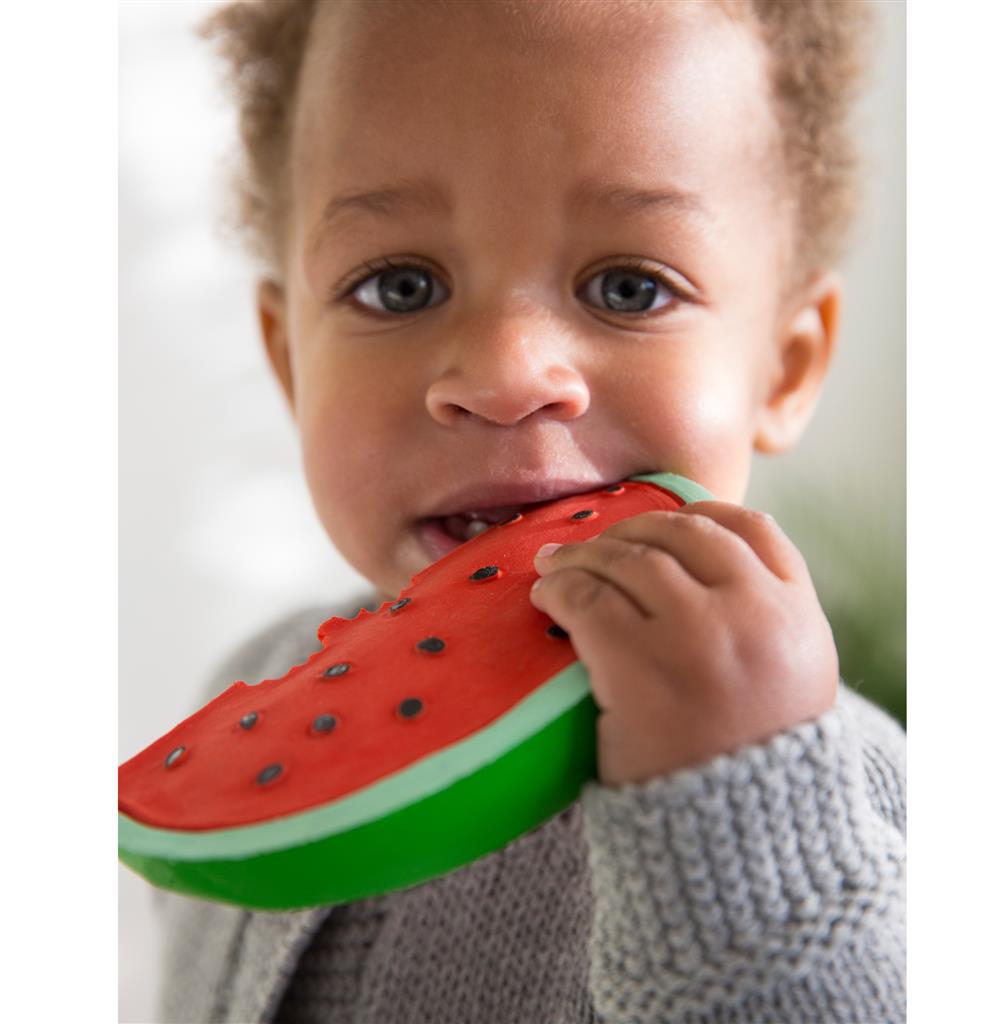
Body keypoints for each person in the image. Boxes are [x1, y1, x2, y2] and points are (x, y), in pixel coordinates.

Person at [153, 1, 905, 1020]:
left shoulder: (844, 794)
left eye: (630, 287)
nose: (507, 376)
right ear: (291, 363)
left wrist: (735, 808)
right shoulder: (253, 685)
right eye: (400, 285)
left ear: (785, 364)